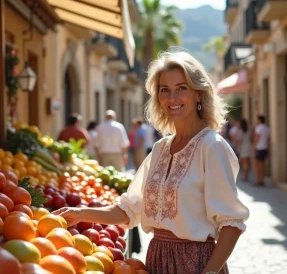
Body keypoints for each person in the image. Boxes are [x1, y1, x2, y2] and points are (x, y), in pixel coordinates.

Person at [54, 51, 249, 274]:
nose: (172, 98)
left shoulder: (212, 147)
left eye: (181, 88)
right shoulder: (160, 149)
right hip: (157, 260)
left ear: (198, 94)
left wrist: (210, 272)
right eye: (164, 90)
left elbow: (231, 223)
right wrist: (80, 214)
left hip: (196, 263)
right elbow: (129, 211)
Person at [253, 115, 270, 186]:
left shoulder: (259, 128)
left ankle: (258, 180)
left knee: (257, 164)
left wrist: (254, 147)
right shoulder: (267, 128)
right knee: (262, 164)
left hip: (259, 148)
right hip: (265, 148)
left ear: (260, 120)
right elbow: (268, 139)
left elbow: (257, 138)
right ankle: (262, 180)